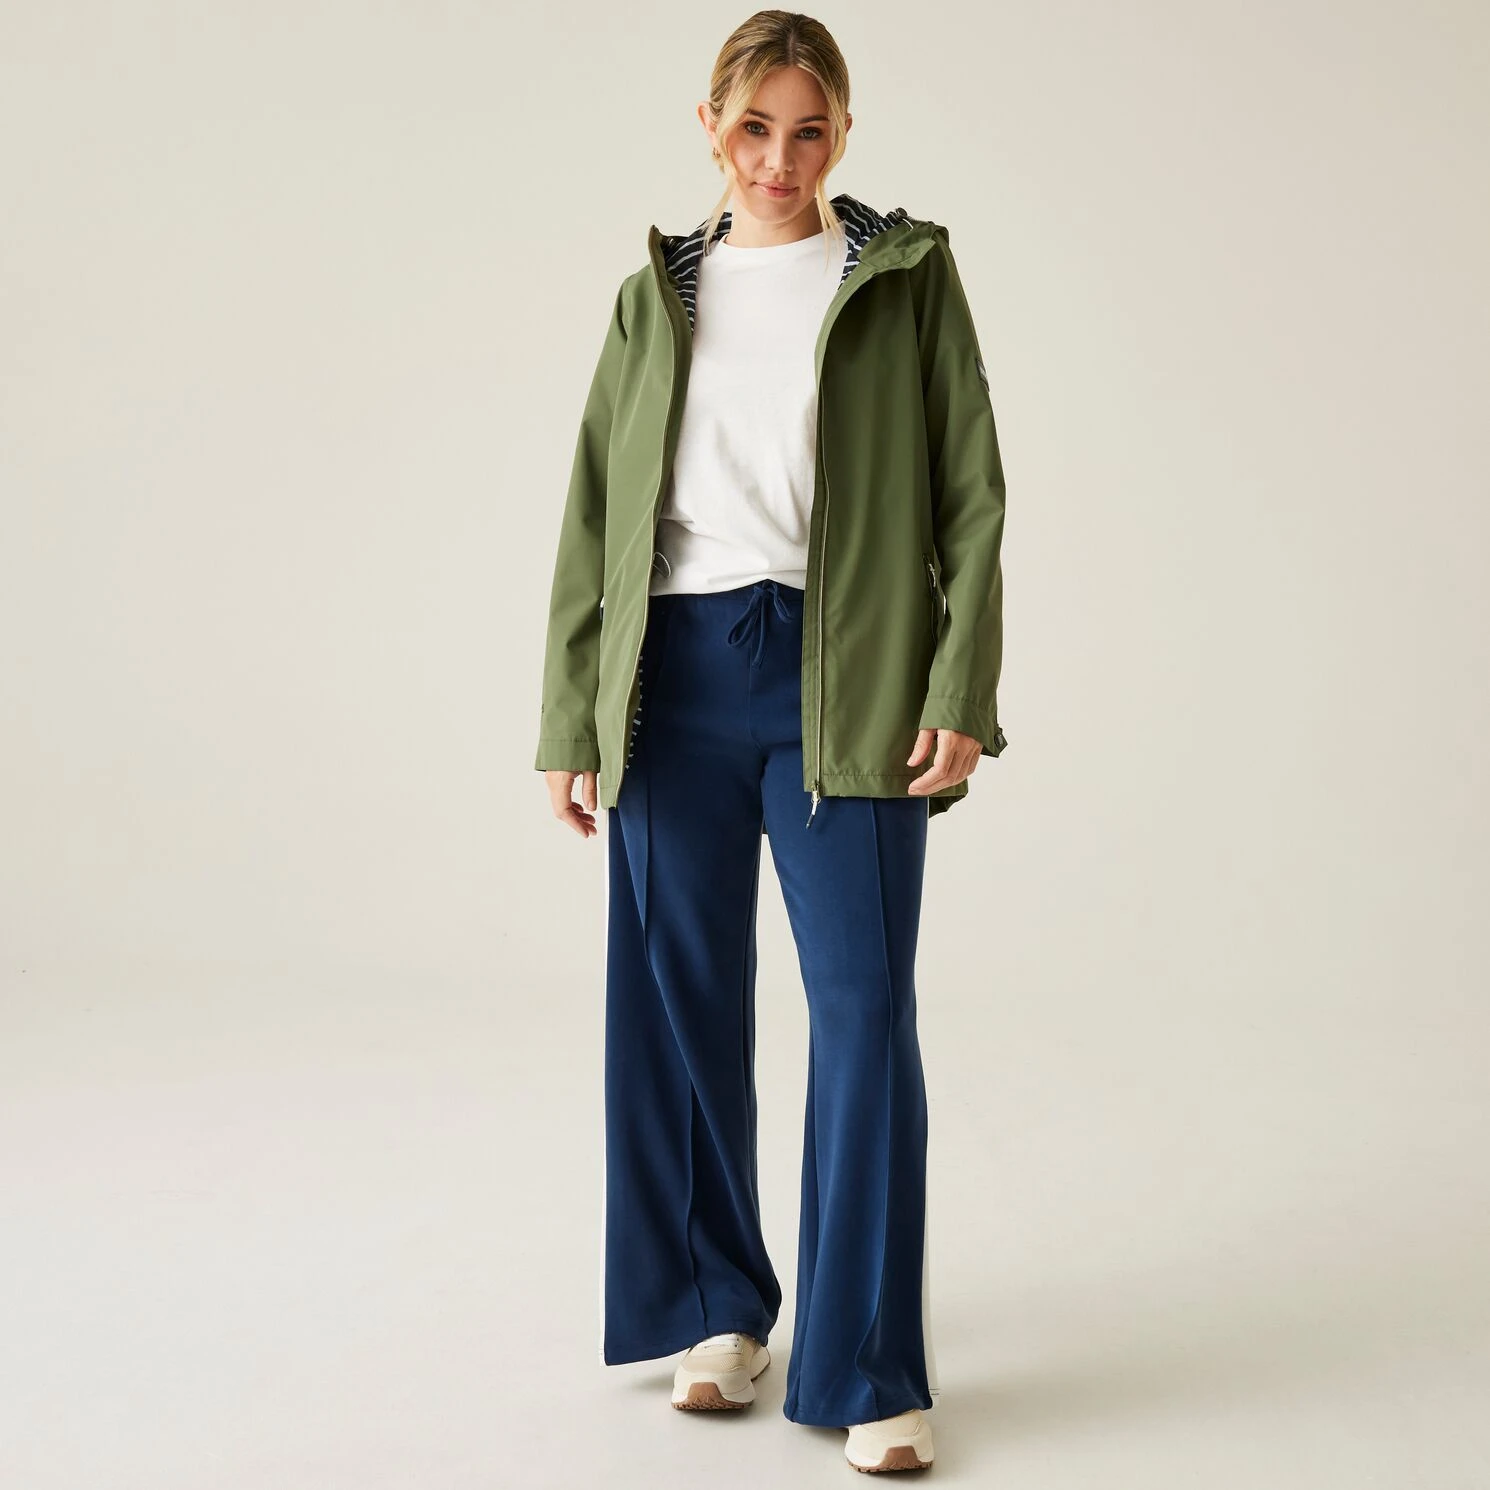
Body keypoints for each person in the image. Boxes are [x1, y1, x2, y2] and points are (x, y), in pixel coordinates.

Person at [533, 10, 1007, 1475]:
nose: (779, 160)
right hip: (670, 677)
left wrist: (959, 684)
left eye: (809, 131)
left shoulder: (905, 279)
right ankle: (716, 1309)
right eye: (754, 129)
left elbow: (972, 492)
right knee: (680, 1001)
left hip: (846, 675)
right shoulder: (654, 297)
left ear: (843, 133)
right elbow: (595, 511)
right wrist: (569, 713)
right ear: (710, 126)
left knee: (862, 1009)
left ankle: (867, 1362)